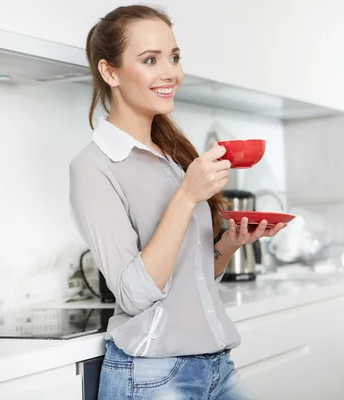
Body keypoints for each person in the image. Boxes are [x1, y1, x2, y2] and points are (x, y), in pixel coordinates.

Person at [69, 5, 286, 399]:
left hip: (216, 364)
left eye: (174, 57)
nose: (170, 72)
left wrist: (228, 245)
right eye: (150, 60)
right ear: (110, 72)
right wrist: (187, 196)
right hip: (152, 374)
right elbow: (135, 295)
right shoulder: (94, 167)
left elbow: (190, 276)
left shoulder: (173, 156)